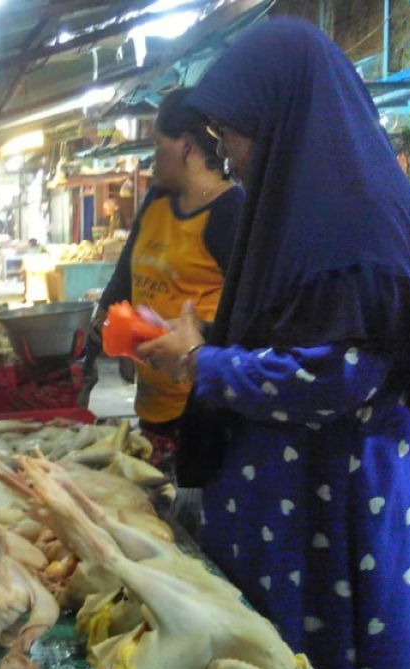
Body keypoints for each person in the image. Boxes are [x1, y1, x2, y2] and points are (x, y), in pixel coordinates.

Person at [136, 20, 410, 669]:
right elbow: (290, 324)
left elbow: (338, 376)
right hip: (300, 502)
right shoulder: (297, 207)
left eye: (239, 136)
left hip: (344, 507)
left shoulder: (359, 224)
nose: (236, 156)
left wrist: (204, 361)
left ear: (289, 116)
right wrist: (209, 336)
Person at [92, 88, 243, 472]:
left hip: (201, 406)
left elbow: (246, 314)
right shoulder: (158, 198)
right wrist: (109, 332)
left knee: (185, 519)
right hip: (152, 402)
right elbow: (127, 273)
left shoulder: (230, 212)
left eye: (159, 145)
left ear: (188, 146)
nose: (153, 158)